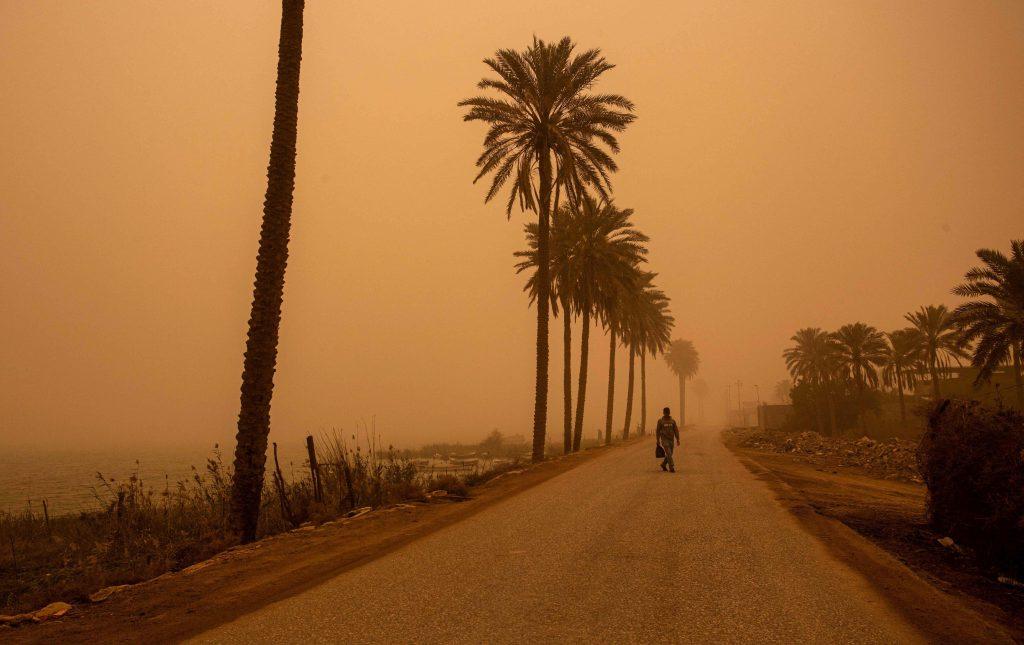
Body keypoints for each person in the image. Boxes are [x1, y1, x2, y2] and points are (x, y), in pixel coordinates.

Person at [655, 407, 680, 472]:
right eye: (665, 412)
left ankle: (663, 464)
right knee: (668, 452)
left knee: (670, 453)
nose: (666, 414)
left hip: (671, 440)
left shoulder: (673, 421)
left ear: (669, 413)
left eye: (667, 412)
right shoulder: (660, 421)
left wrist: (677, 439)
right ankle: (671, 467)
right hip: (664, 440)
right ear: (663, 413)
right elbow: (657, 431)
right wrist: (658, 440)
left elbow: (676, 430)